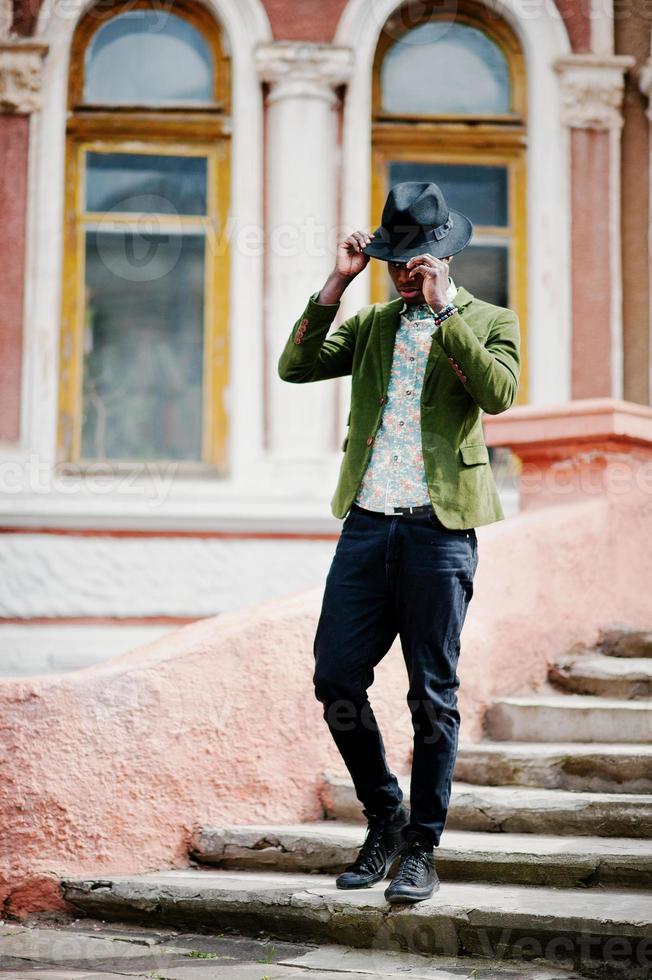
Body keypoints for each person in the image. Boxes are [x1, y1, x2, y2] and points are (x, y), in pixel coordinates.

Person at [277, 181, 521, 904]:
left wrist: (446, 313)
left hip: (438, 534)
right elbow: (297, 365)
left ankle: (422, 848)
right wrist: (337, 282)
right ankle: (385, 813)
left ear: (442, 255)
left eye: (415, 260)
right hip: (367, 526)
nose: (403, 273)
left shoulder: (488, 319)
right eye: (394, 261)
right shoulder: (376, 323)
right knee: (335, 678)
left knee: (432, 698)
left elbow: (499, 393)